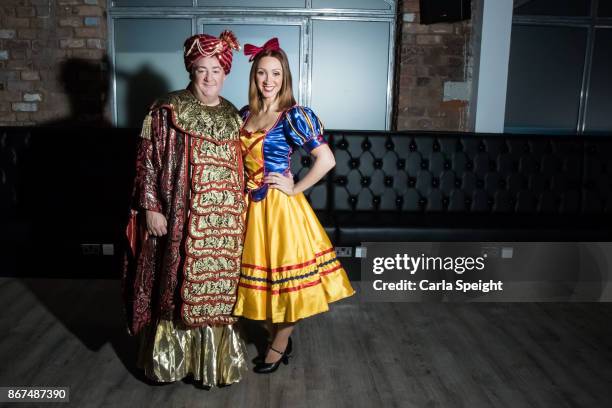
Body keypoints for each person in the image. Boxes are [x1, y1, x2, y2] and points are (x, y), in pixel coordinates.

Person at [122, 31, 248, 387]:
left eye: (216, 70)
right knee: (174, 286)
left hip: (224, 225)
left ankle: (211, 365)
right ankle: (171, 362)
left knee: (218, 292)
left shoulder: (232, 115)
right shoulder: (166, 108)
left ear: (225, 73)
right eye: (201, 70)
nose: (209, 77)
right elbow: (146, 161)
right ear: (190, 71)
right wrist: (150, 207)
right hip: (179, 217)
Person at [231, 38, 355, 374]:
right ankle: (276, 333)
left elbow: (326, 159)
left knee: (288, 285)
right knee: (261, 284)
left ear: (285, 78)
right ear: (253, 77)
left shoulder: (293, 116)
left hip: (280, 209)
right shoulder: (245, 114)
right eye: (261, 74)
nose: (268, 81)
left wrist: (294, 186)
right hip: (248, 208)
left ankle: (280, 344)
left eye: (275, 74)